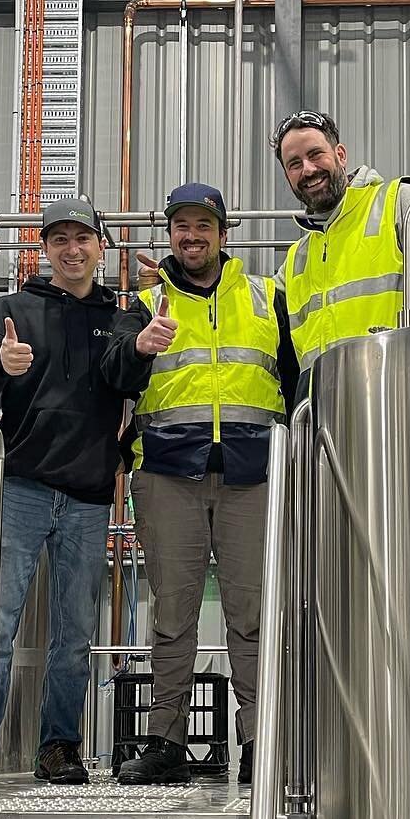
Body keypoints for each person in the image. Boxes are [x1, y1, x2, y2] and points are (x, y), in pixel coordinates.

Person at [0, 197, 173, 784]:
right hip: (20, 488)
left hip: (91, 497)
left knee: (74, 636)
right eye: (60, 241)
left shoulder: (121, 317)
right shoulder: (14, 310)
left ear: (101, 246)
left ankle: (60, 747)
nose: (72, 251)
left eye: (83, 239)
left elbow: (122, 375)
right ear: (45, 249)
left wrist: (144, 348)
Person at [117, 182, 297, 787]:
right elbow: (110, 373)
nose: (190, 237)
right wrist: (138, 345)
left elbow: (296, 387)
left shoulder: (268, 297)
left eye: (202, 226)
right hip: (169, 473)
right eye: (180, 227)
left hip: (252, 476)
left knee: (252, 615)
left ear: (224, 233)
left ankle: (260, 741)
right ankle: (165, 741)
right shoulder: (146, 301)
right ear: (170, 234)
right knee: (173, 615)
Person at [272, 108, 410, 374]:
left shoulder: (399, 202)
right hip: (326, 407)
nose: (307, 169)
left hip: (396, 396)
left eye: (315, 154)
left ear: (340, 155)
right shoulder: (296, 259)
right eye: (294, 164)